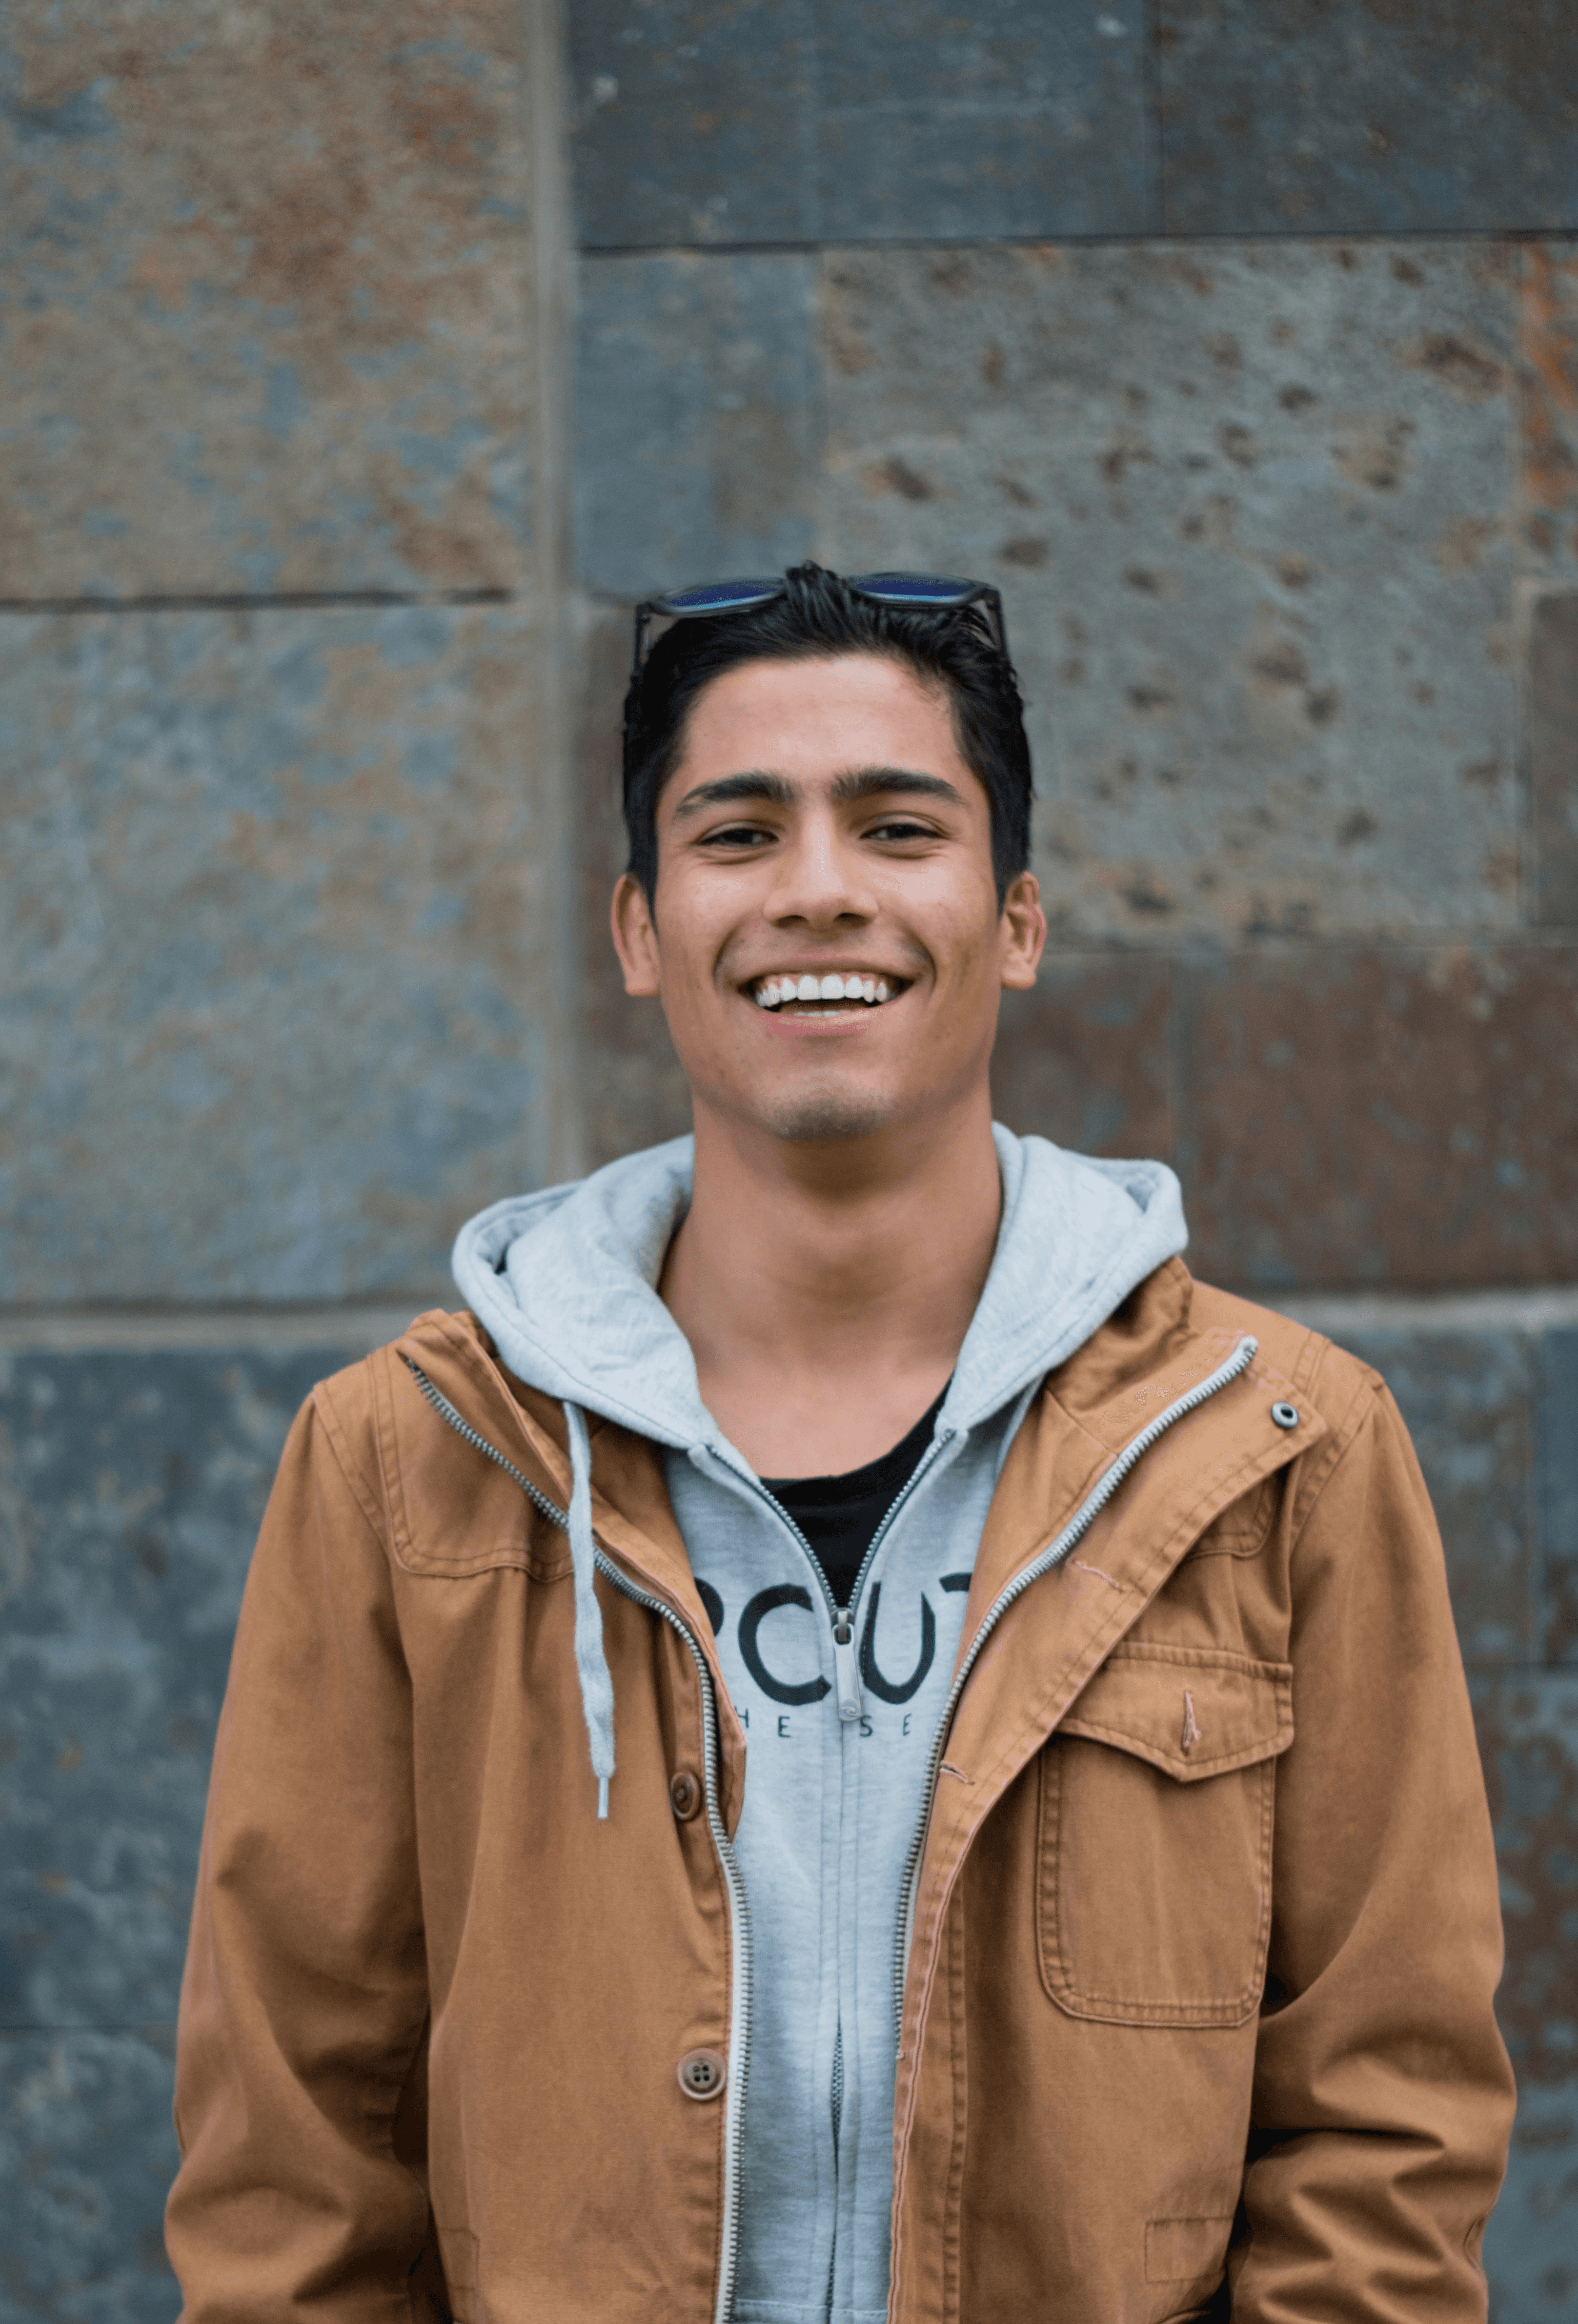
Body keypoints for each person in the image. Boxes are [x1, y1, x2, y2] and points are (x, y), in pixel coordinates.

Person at [167, 564, 1513, 2323]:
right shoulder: (407, 1460)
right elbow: (298, 2162)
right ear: (640, 929)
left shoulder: (1277, 1448)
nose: (817, 892)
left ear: (1013, 918)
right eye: (737, 834)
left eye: (895, 827)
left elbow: (1384, 2128)